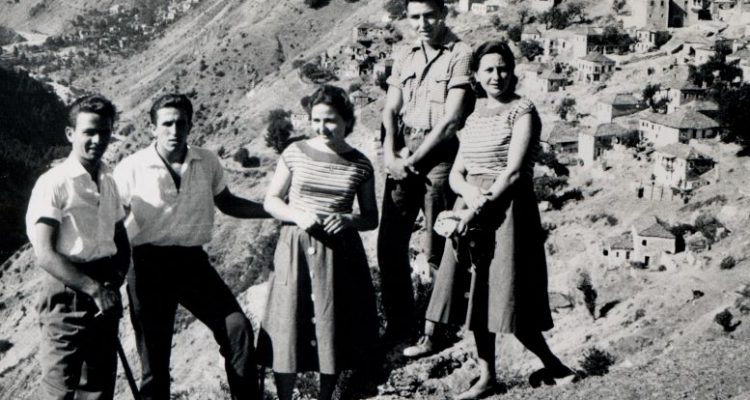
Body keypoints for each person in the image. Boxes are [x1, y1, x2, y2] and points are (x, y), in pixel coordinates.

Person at [421, 41, 575, 399]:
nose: (496, 76)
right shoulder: (473, 117)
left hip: (507, 212)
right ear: (476, 75)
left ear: (512, 70)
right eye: (488, 69)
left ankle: (555, 366)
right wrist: (466, 195)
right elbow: (457, 172)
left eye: (502, 67)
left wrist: (474, 209)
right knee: (477, 296)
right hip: (471, 208)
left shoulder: (523, 111)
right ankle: (487, 377)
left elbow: (515, 172)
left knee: (508, 293)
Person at [113, 94, 267, 400]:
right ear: (152, 128)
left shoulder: (206, 161)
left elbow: (228, 202)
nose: (174, 131)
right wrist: (105, 273)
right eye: (166, 124)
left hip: (192, 264)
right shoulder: (131, 167)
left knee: (237, 329)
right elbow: (113, 225)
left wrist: (275, 211)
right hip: (147, 267)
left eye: (181, 123)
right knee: (155, 362)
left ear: (190, 125)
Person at [257, 85, 379, 400]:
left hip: (338, 254)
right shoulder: (294, 152)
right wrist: (296, 215)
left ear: (347, 121)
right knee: (288, 328)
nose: (322, 128)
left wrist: (349, 219)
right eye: (316, 120)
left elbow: (371, 218)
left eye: (331, 120)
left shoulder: (361, 164)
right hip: (295, 249)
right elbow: (272, 200)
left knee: (330, 328)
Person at [378, 0, 473, 349]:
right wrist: (390, 153)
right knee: (389, 244)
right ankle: (400, 326)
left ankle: (437, 331)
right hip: (404, 151)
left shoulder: (460, 53)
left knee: (437, 246)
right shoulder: (405, 54)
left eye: (429, 15)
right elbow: (391, 108)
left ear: (443, 13)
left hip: (440, 156)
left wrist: (413, 159)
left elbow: (451, 121)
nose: (423, 23)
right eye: (415, 17)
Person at [26, 95, 130, 400]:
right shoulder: (54, 182)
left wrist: (115, 279)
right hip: (67, 290)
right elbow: (45, 253)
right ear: (71, 134)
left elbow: (120, 235)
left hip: (104, 287)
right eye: (89, 132)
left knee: (97, 388)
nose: (98, 140)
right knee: (58, 390)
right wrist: (93, 289)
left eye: (105, 132)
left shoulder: (108, 181)